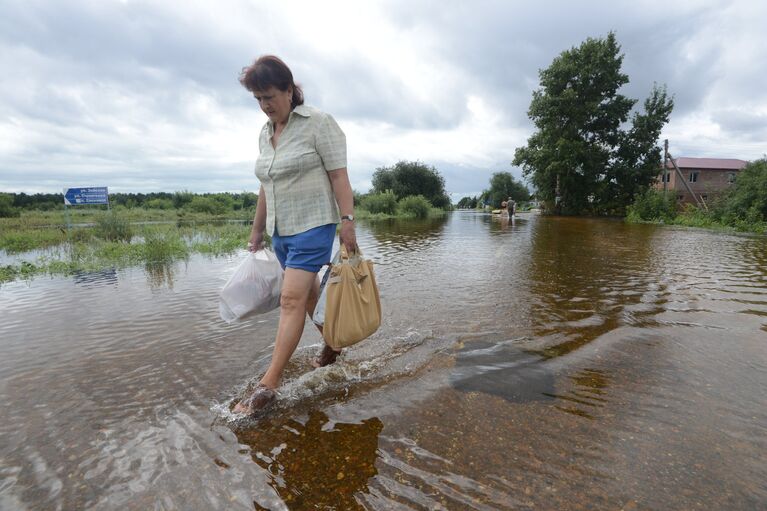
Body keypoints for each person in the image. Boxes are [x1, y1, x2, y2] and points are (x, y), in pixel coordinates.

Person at [233, 55, 357, 414]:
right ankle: (332, 345)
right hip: (281, 232)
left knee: (289, 301)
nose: (264, 105)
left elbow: (339, 176)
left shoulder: (318, 123)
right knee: (306, 299)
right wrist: (257, 230)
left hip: (314, 225)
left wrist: (346, 220)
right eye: (257, 98)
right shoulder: (265, 133)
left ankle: (267, 387)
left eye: (269, 95)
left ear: (289, 90)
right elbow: (264, 186)